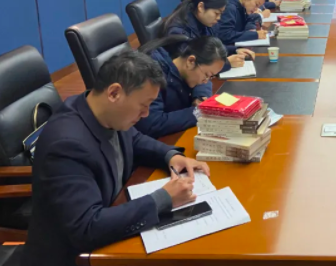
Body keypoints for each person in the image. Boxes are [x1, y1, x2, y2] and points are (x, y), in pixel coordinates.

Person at [22, 51, 209, 266]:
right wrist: (163, 199)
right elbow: (87, 228)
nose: (147, 114)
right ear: (114, 93)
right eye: (143, 105)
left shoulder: (100, 110)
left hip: (114, 211)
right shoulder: (66, 146)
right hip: (77, 257)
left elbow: (134, 139)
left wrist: (170, 155)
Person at [134, 36, 227, 138]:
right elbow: (152, 123)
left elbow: (205, 82)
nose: (206, 81)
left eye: (210, 76)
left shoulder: (182, 58)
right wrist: (199, 112)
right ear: (191, 61)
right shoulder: (152, 74)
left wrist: (200, 96)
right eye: (206, 75)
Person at [161, 0, 254, 78]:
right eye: (216, 13)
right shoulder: (179, 32)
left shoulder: (202, 22)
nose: (219, 18)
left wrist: (234, 50)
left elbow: (209, 49)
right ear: (201, 7)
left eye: (220, 14)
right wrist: (227, 63)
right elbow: (191, 66)